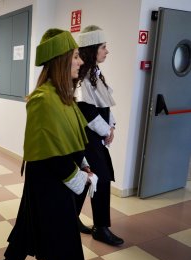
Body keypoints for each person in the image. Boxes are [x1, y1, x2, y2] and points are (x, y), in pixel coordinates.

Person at [0, 29, 96, 260]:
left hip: (57, 176)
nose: (81, 61)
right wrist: (79, 177)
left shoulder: (64, 97)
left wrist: (83, 163)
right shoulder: (43, 99)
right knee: (66, 246)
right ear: (61, 60)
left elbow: (72, 138)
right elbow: (53, 155)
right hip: (50, 180)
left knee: (30, 223)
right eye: (75, 56)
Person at [74, 25, 124, 246]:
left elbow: (104, 103)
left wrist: (111, 125)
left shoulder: (95, 72)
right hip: (87, 138)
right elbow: (87, 111)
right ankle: (101, 228)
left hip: (97, 136)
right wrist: (106, 131)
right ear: (93, 48)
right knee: (100, 179)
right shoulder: (82, 76)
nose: (107, 51)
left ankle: (71, 218)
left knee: (88, 180)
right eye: (104, 47)